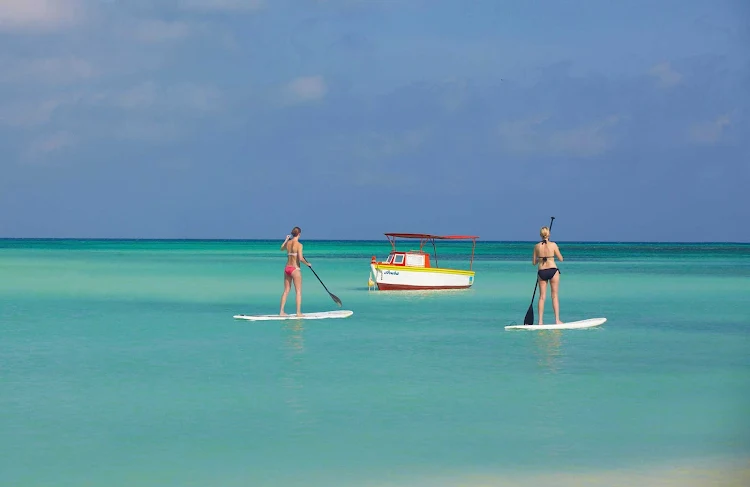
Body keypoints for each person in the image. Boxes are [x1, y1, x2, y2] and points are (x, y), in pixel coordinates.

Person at [532, 226, 564, 325]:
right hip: (553, 270)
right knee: (554, 296)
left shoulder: (537, 246)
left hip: (542, 271)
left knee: (542, 297)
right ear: (548, 234)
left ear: (540, 235)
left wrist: (541, 258)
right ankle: (557, 320)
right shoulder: (553, 245)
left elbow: (534, 262)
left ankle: (540, 321)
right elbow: (561, 259)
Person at [280, 226, 312, 316]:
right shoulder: (299, 245)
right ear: (299, 234)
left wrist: (286, 240)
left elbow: (281, 248)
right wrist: (308, 263)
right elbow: (301, 258)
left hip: (287, 268)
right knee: (298, 291)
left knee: (286, 291)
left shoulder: (288, 243)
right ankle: (298, 313)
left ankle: (281, 311)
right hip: (295, 269)